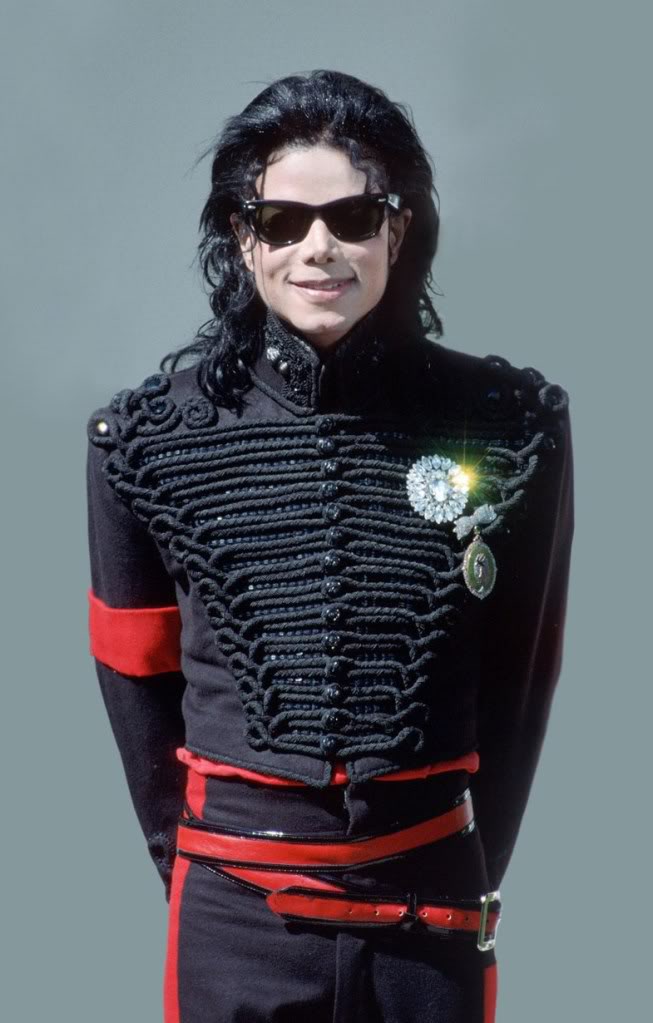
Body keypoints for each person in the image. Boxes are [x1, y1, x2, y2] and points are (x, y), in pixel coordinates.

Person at [85, 69, 574, 1023]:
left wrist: (470, 865)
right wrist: (202, 876)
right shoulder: (142, 441)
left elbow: (521, 679)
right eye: (282, 222)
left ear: (398, 228)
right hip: (234, 920)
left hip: (431, 914)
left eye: (353, 218)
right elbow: (136, 688)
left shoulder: (510, 426)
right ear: (242, 237)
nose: (319, 248)